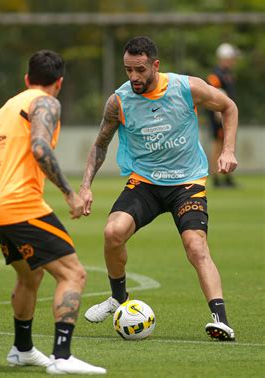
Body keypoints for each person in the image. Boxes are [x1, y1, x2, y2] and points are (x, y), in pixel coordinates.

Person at [79, 36, 238, 342]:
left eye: (139, 70)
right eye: (128, 70)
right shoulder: (119, 101)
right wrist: (86, 186)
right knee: (113, 233)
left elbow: (228, 106)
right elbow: (100, 145)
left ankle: (220, 319)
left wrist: (228, 150)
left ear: (155, 65)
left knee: (196, 246)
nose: (134, 77)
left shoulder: (186, 87)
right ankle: (118, 299)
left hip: (186, 183)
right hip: (146, 183)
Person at [0, 50, 106, 375]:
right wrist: (70, 194)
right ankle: (62, 357)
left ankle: (22, 350)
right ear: (59, 83)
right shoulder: (46, 102)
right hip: (20, 204)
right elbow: (40, 147)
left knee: (29, 275)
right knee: (74, 274)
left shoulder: (5, 108)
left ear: (26, 79)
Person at [207, 43, 239, 188]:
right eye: (230, 58)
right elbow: (214, 95)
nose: (232, 60)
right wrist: (218, 114)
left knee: (227, 144)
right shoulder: (216, 75)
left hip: (226, 114)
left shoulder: (227, 74)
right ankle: (216, 177)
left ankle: (227, 177)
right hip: (219, 115)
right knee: (218, 145)